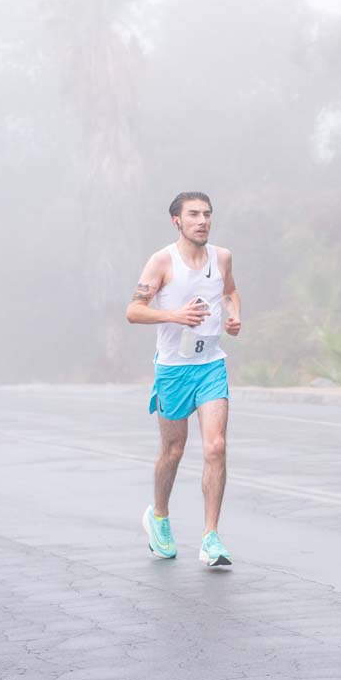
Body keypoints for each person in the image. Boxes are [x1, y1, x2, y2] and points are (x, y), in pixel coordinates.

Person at [126, 191, 242, 567]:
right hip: (174, 369)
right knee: (173, 451)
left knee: (216, 447)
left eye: (207, 214)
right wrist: (174, 316)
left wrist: (234, 314)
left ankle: (211, 537)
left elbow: (230, 290)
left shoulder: (221, 257)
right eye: (193, 214)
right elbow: (133, 311)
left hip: (210, 364)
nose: (202, 221)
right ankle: (158, 516)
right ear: (177, 221)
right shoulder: (162, 261)